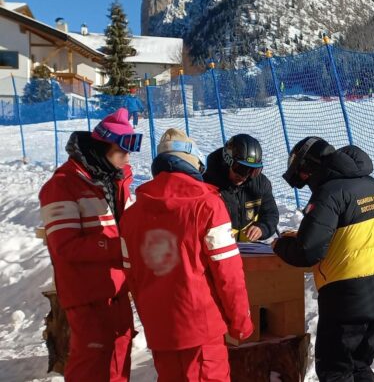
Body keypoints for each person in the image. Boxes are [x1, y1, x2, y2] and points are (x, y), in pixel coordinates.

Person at [120, 128, 253, 382]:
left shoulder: (132, 215)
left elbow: (133, 277)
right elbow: (228, 272)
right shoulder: (207, 204)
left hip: (161, 331)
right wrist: (240, 322)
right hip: (202, 329)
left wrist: (152, 319)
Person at [272, 137, 374, 382]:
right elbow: (348, 233)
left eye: (304, 174)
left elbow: (307, 252)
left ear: (311, 166)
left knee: (335, 371)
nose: (306, 181)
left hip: (345, 296)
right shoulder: (373, 185)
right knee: (360, 367)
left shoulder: (329, 192)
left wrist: (280, 244)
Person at [39, 107, 142, 382]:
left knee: (119, 362)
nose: (127, 158)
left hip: (116, 290)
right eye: (122, 150)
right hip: (86, 295)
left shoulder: (115, 179)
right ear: (102, 147)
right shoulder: (62, 185)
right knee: (92, 367)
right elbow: (65, 247)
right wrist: (116, 246)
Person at [203, 134, 279, 242]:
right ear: (227, 161)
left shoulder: (261, 184)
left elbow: (271, 213)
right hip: (217, 248)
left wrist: (262, 228)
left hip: (247, 248)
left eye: (253, 171)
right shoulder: (207, 185)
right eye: (241, 169)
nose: (244, 176)